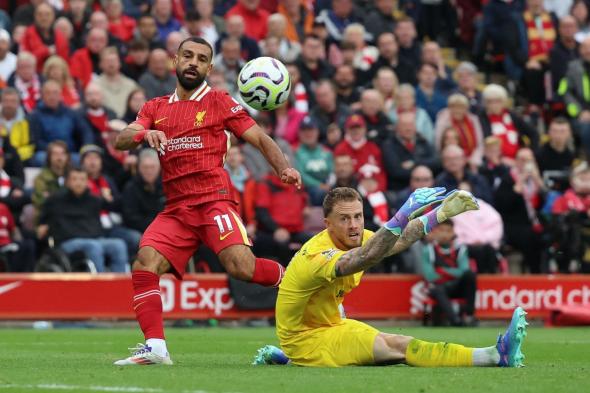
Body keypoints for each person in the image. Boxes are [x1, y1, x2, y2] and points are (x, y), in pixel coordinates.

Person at [113, 37, 302, 366]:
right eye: (187, 56)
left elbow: (259, 137)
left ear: (209, 68)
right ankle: (156, 347)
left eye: (201, 59)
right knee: (145, 262)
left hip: (213, 201)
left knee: (242, 267)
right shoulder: (155, 107)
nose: (193, 63)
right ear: (175, 60)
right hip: (176, 209)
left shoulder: (219, 101)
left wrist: (283, 168)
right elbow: (122, 139)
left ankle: (302, 279)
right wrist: (145, 134)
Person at [253, 186, 528, 368]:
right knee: (398, 347)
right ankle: (493, 355)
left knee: (391, 343)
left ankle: (286, 359)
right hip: (307, 338)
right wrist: (401, 214)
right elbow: (363, 258)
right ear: (327, 224)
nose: (354, 225)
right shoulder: (316, 256)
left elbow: (395, 241)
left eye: (358, 217)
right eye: (345, 219)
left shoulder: (358, 238)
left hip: (330, 324)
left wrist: (440, 213)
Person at [37, 167, 128, 273]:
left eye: (82, 179)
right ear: (67, 181)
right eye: (74, 179)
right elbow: (43, 220)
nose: (78, 183)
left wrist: (109, 198)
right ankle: (101, 284)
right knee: (93, 246)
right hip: (67, 241)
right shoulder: (55, 200)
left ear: (87, 182)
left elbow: (117, 206)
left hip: (95, 238)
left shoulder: (94, 200)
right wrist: (43, 226)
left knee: (118, 245)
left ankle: (120, 283)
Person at [421, 220, 477, 326]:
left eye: (448, 231)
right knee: (437, 289)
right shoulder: (428, 250)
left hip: (456, 287)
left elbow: (463, 271)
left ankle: (469, 315)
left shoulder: (460, 249)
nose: (444, 234)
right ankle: (456, 321)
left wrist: (441, 271)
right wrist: (454, 273)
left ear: (453, 233)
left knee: (470, 275)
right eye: (441, 230)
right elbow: (430, 276)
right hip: (438, 288)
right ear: (435, 232)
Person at [122, 148, 165, 233]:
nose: (149, 171)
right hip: (141, 230)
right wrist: (155, 227)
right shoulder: (131, 188)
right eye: (145, 167)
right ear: (139, 168)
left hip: (164, 228)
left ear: (159, 167)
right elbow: (130, 218)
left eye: (152, 167)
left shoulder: (166, 185)